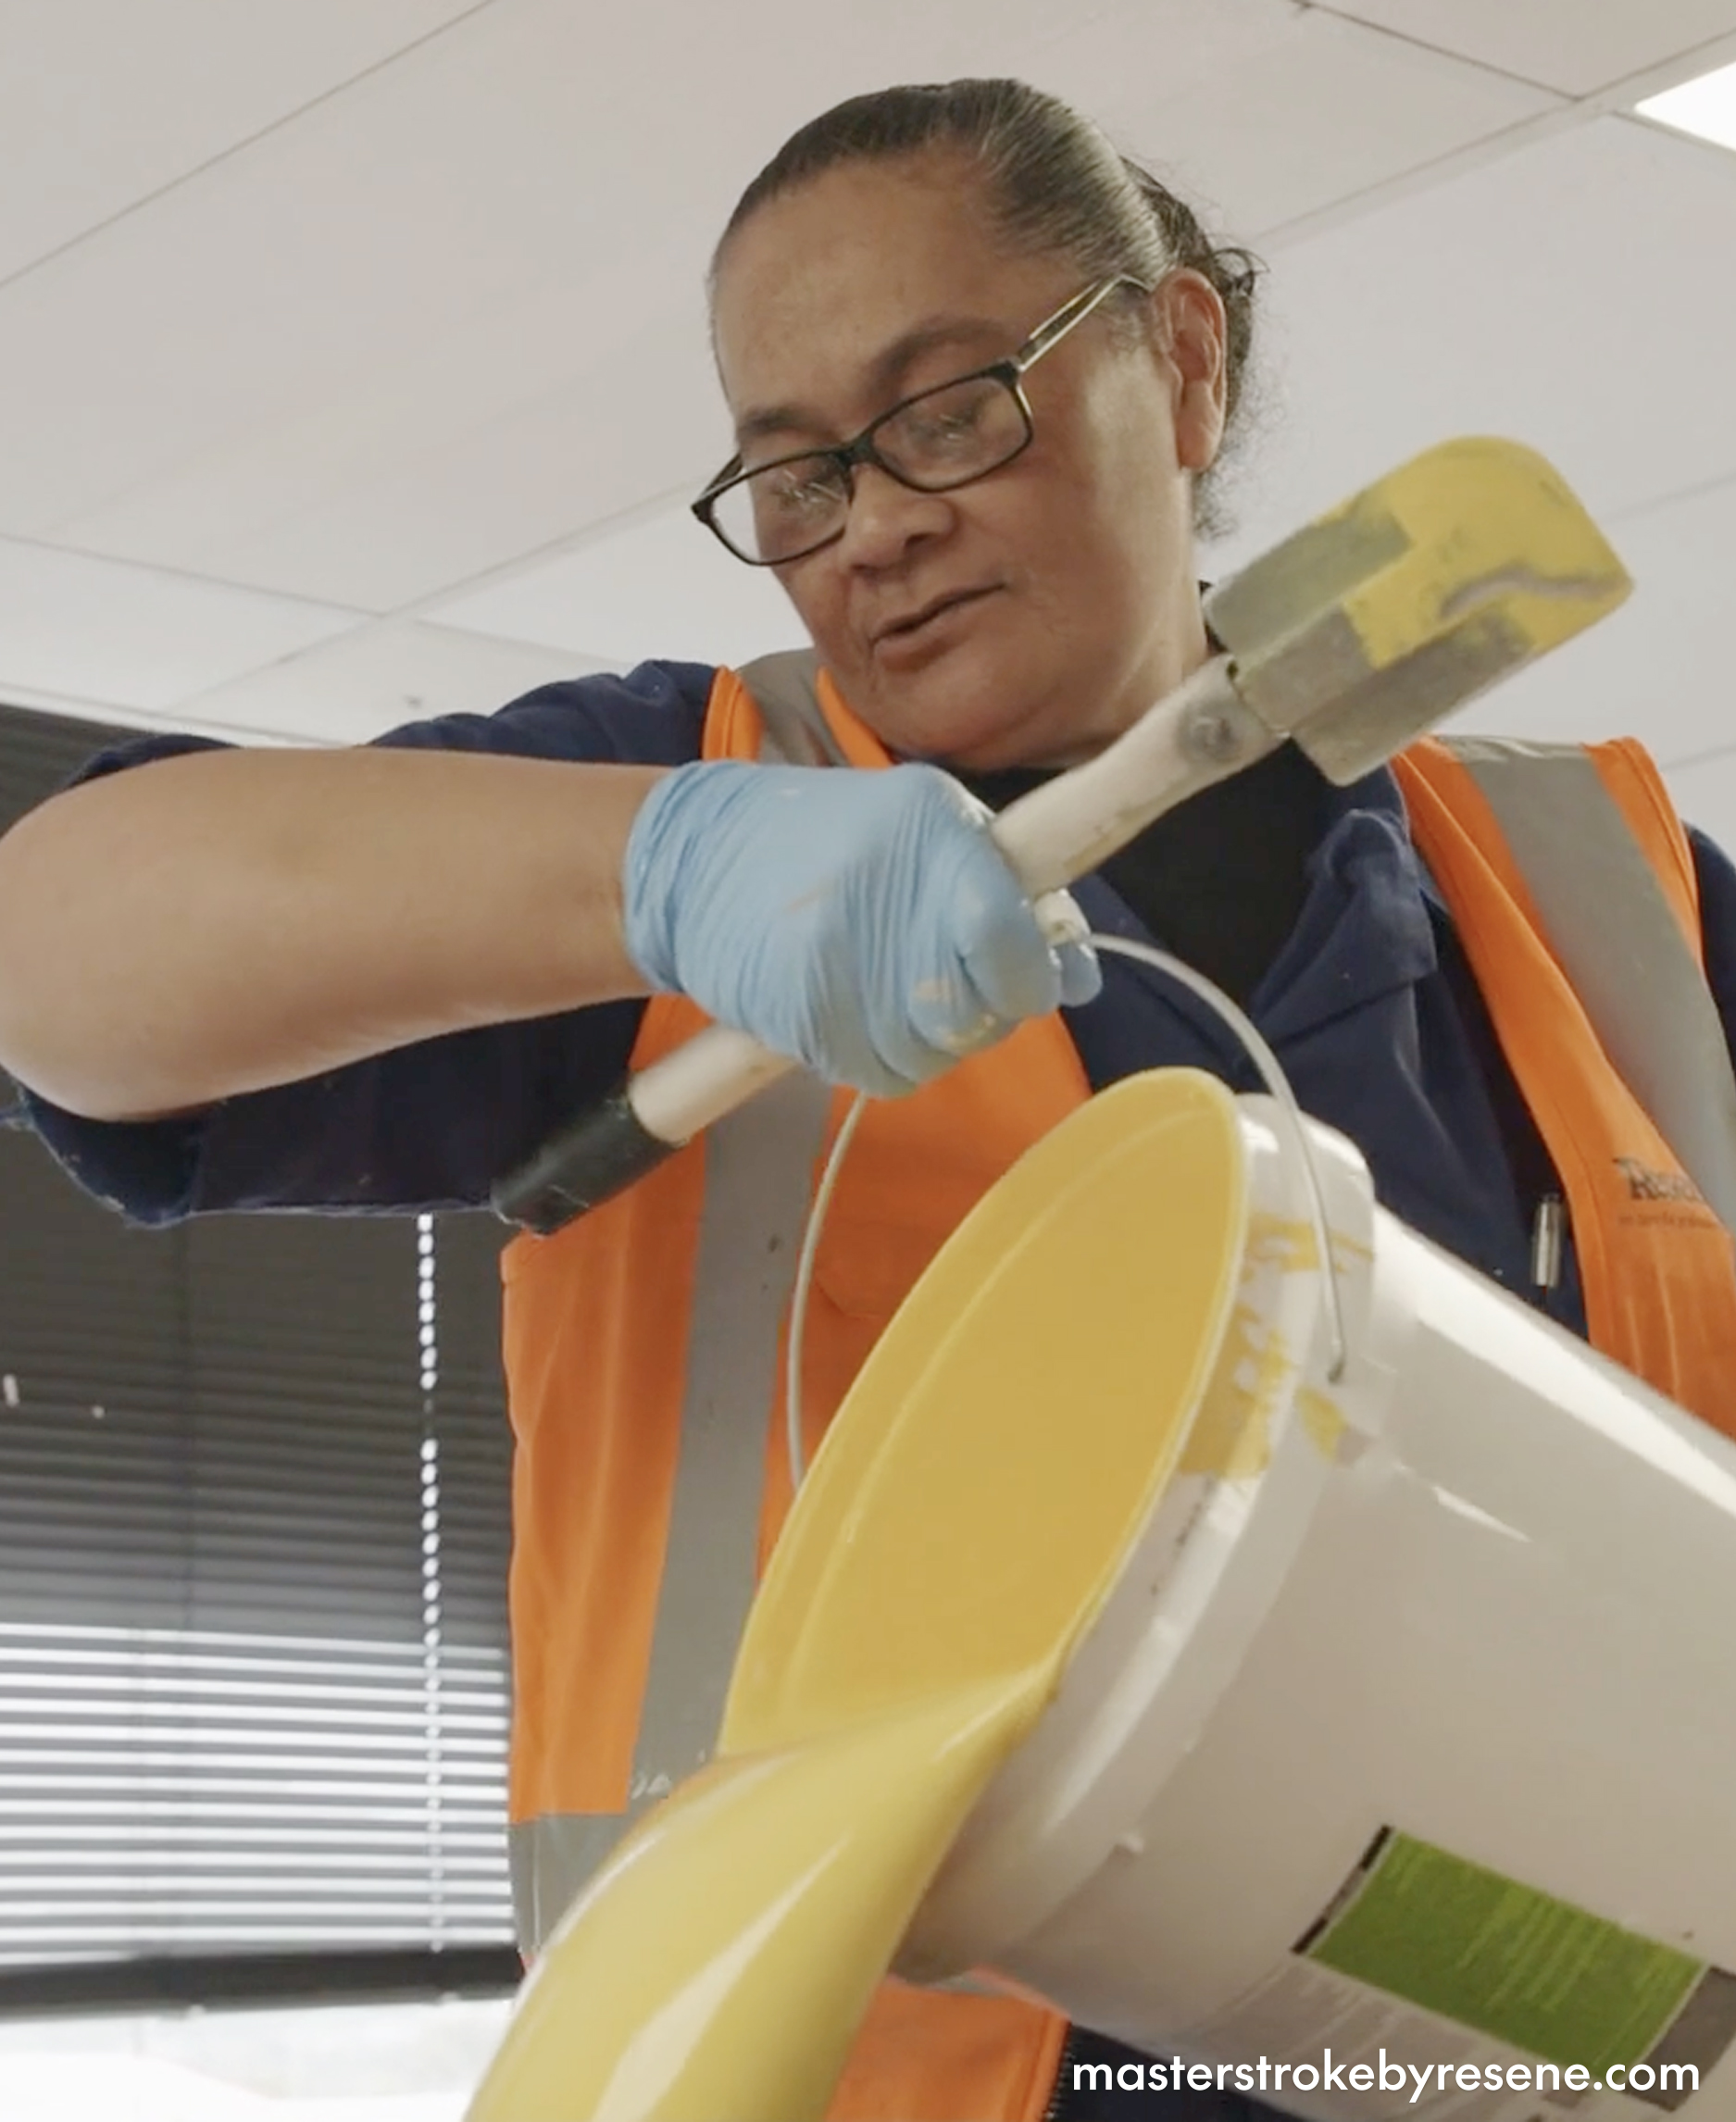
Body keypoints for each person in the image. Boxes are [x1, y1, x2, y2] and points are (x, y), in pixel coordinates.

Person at [2, 75, 1734, 2122]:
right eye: (796, 475)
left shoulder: (1603, 888)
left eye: (944, 410)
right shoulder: (695, 814)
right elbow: (59, 953)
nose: (877, 523)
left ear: (1177, 358)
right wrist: (657, 871)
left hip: (1572, 2045)